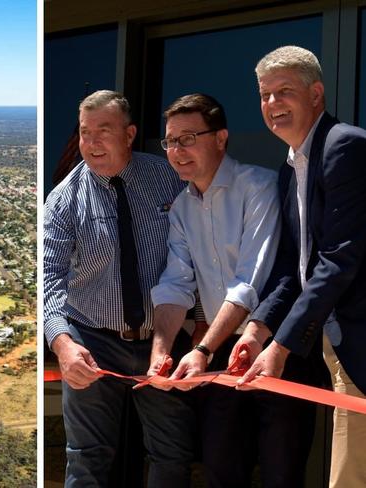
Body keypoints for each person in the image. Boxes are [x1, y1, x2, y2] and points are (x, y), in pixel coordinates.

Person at [148, 93, 319, 487]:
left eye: (188, 138)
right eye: (171, 141)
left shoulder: (259, 186)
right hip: (219, 353)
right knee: (221, 471)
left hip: (277, 346)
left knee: (282, 474)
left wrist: (202, 348)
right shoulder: (180, 208)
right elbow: (175, 286)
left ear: (221, 138)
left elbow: (251, 281)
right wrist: (160, 352)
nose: (177, 150)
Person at [44, 89, 196, 487]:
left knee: (172, 453)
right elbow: (48, 279)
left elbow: (198, 250)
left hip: (163, 341)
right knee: (87, 460)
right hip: (92, 342)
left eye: (103, 131)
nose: (91, 142)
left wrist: (195, 324)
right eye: (84, 132)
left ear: (129, 135)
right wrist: (62, 344)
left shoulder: (167, 177)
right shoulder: (63, 200)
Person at [235, 45, 366, 488]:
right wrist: (257, 331)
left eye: (284, 92)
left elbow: (338, 259)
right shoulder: (290, 168)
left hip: (360, 337)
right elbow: (294, 267)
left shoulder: (344, 146)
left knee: (348, 475)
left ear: (316, 94)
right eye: (264, 95)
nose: (272, 105)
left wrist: (281, 347)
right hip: (334, 339)